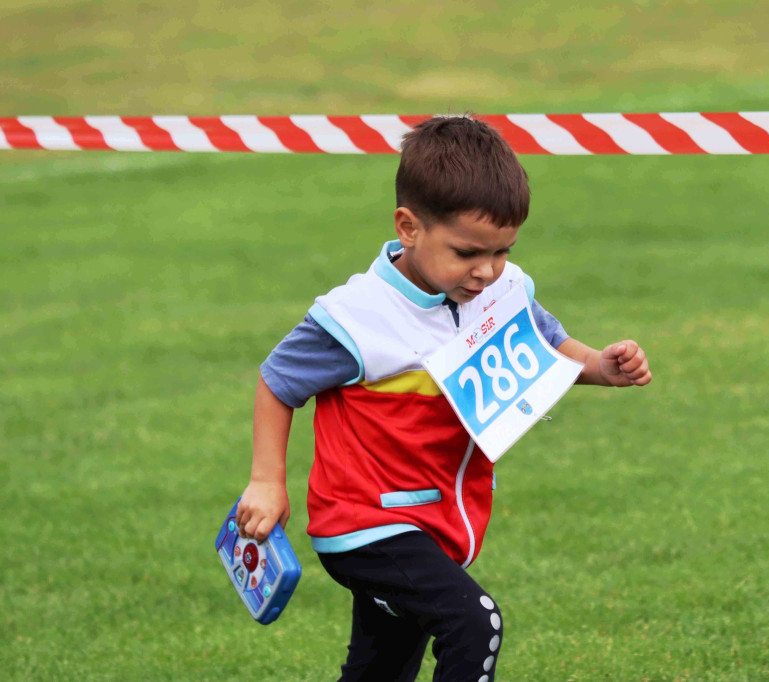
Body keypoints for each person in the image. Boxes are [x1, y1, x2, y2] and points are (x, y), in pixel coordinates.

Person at [235, 115, 653, 682]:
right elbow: (278, 380)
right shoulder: (358, 318)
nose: (486, 271)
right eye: (466, 252)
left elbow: (545, 342)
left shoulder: (499, 289)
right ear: (409, 227)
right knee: (475, 624)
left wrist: (600, 366)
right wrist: (266, 480)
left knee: (381, 672)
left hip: (440, 518)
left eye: (502, 251)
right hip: (366, 523)